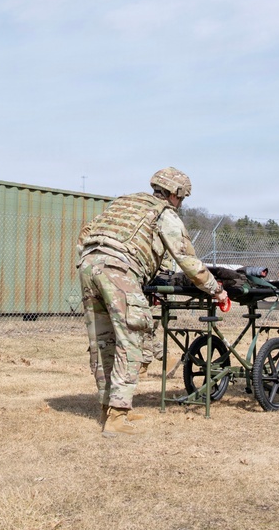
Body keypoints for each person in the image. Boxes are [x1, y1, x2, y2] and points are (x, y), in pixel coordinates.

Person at [77, 167, 228, 437]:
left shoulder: (125, 203)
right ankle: (118, 417)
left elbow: (86, 232)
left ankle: (107, 408)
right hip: (119, 269)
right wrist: (216, 290)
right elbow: (187, 260)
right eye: (181, 198)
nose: (181, 203)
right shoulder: (163, 213)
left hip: (88, 264)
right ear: (174, 194)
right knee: (131, 338)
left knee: (103, 342)